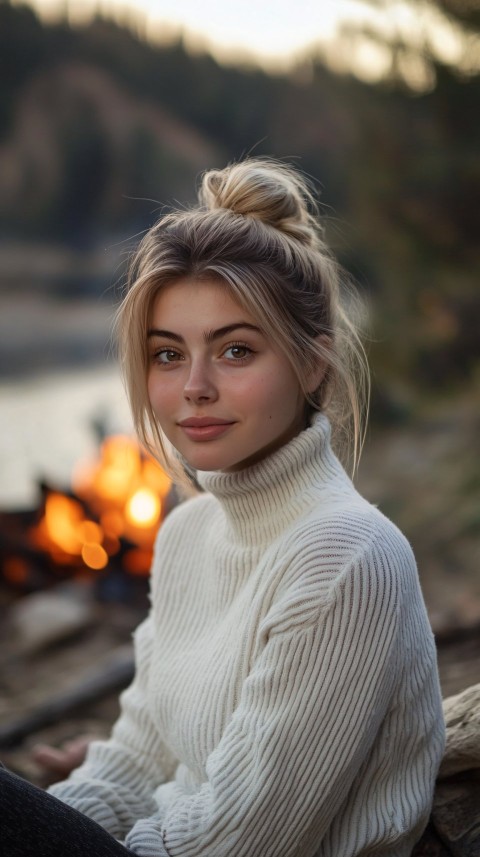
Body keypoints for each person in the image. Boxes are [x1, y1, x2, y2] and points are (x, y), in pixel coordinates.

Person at [1, 159, 445, 856]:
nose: (194, 388)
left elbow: (235, 843)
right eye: (168, 354)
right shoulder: (187, 534)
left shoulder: (346, 557)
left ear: (313, 364)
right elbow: (136, 755)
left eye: (236, 349)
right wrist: (61, 817)